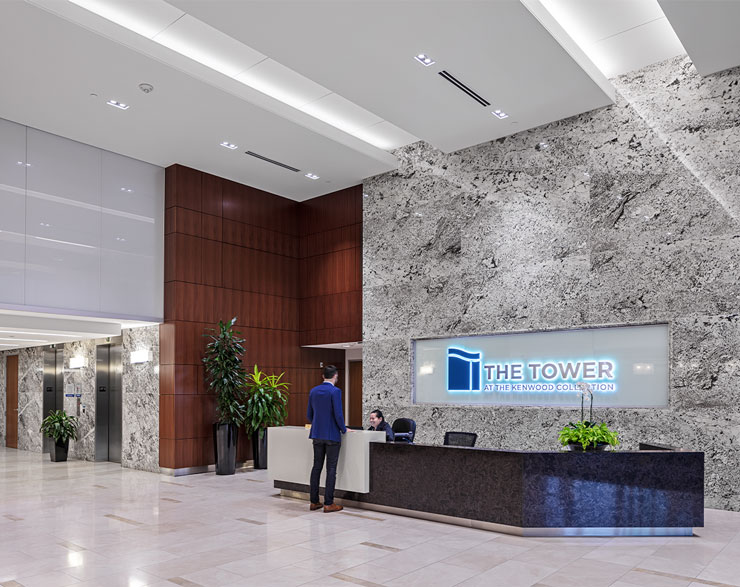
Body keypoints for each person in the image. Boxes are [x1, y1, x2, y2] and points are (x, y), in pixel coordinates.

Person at [306, 365, 347, 513]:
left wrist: (318, 424)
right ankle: (328, 503)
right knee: (331, 469)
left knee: (316, 467)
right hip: (332, 436)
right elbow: (338, 414)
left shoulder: (313, 391)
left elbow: (309, 415)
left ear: (323, 376)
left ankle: (314, 501)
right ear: (335, 376)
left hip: (316, 434)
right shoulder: (335, 391)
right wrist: (343, 428)